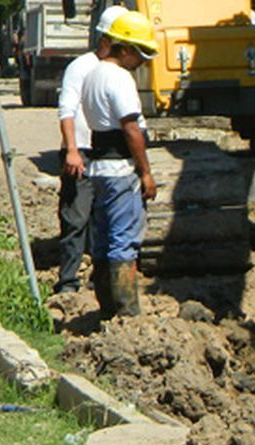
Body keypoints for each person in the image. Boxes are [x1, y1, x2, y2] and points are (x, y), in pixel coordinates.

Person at [79, 9, 158, 318]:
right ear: (123, 48)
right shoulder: (119, 78)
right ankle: (127, 316)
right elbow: (131, 129)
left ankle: (107, 310)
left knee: (104, 240)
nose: (142, 61)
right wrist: (146, 172)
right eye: (140, 53)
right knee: (123, 241)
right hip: (121, 170)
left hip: (98, 168)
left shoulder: (93, 74)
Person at [55, 6, 124, 296]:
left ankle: (101, 279)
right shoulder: (81, 67)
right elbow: (67, 110)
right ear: (106, 41)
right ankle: (68, 282)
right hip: (81, 151)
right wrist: (72, 150)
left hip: (107, 153)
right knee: (76, 218)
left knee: (104, 219)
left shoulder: (118, 71)